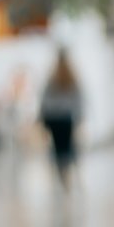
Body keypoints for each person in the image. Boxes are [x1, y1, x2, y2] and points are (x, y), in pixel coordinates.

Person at [38, 52, 82, 189]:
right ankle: (66, 175)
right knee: (66, 147)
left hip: (54, 118)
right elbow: (77, 99)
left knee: (58, 148)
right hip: (65, 118)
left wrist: (42, 117)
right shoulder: (70, 78)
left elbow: (45, 100)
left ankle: (61, 174)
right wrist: (78, 116)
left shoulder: (53, 78)